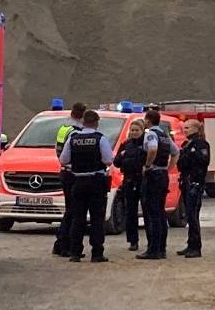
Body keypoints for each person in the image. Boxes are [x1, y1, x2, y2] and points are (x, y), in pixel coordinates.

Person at [57, 109, 113, 263]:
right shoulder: (100, 139)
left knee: (77, 218)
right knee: (97, 218)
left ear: (83, 122)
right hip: (96, 182)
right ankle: (97, 253)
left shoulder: (73, 138)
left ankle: (75, 252)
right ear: (96, 123)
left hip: (78, 182)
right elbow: (108, 160)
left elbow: (63, 160)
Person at [136, 110, 178, 259]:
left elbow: (153, 148)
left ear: (148, 121)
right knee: (160, 212)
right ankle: (161, 248)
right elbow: (175, 152)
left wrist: (147, 165)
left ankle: (153, 250)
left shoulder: (151, 134)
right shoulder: (165, 135)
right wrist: (168, 168)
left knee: (152, 212)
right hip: (162, 175)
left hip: (153, 175)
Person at [51, 105, 87, 257]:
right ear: (82, 116)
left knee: (70, 211)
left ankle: (60, 244)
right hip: (73, 173)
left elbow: (58, 151)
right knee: (73, 212)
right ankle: (64, 245)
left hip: (65, 172)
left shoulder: (63, 129)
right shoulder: (75, 133)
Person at [175, 119, 212, 258]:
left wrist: (190, 154)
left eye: (188, 127)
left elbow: (203, 161)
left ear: (196, 129)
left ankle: (196, 247)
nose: (185, 130)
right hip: (185, 181)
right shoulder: (186, 144)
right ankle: (191, 244)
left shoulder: (201, 144)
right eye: (184, 128)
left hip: (195, 183)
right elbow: (181, 163)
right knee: (189, 215)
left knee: (193, 215)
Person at [112, 124, 149, 252]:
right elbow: (116, 162)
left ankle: (151, 241)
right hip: (129, 180)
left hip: (143, 180)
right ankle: (133, 241)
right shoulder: (126, 144)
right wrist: (122, 155)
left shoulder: (147, 143)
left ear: (142, 131)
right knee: (130, 212)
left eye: (137, 130)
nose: (134, 132)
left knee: (147, 211)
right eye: (132, 130)